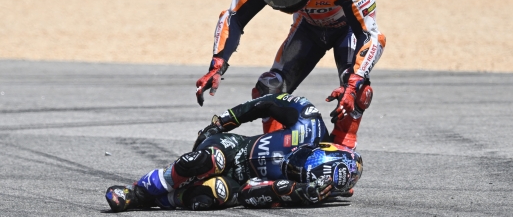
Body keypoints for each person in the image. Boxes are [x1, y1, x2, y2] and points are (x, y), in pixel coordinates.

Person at [195, 0, 386, 150]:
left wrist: (352, 84)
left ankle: (344, 149)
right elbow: (233, 17)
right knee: (268, 87)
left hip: (347, 31)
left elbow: (372, 37)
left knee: (356, 90)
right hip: (307, 28)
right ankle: (278, 151)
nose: (279, 1)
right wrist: (217, 63)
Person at [105, 93, 363, 212]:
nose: (293, 169)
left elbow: (249, 192)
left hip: (238, 183)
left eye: (300, 175)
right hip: (233, 147)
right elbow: (267, 102)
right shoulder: (310, 121)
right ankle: (136, 192)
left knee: (206, 198)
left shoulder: (308, 189)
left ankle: (156, 201)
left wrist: (294, 192)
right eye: (302, 162)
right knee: (204, 162)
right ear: (321, 146)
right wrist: (224, 122)